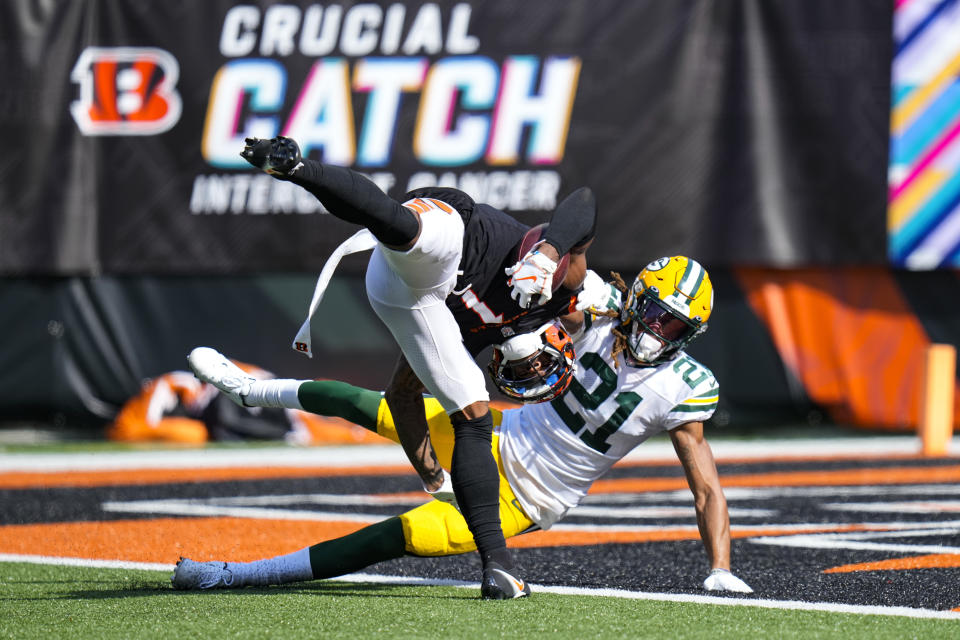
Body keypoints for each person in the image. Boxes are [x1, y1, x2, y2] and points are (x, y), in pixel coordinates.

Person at [177, 256, 753, 596]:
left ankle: (234, 576)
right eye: (654, 314)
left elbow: (706, 486)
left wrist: (721, 568)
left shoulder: (689, 385)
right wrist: (565, 295)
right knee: (367, 404)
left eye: (674, 328)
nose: (657, 333)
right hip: (496, 437)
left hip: (529, 500)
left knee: (393, 536)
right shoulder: (598, 317)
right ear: (638, 299)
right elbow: (550, 297)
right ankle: (250, 390)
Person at [231, 136, 598, 598]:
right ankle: (297, 168)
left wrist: (433, 477)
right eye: (538, 363)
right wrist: (548, 253)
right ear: (557, 335)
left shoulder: (471, 336)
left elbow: (402, 396)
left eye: (525, 373)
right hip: (462, 241)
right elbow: (583, 203)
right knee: (403, 228)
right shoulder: (564, 283)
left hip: (415, 302)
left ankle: (498, 569)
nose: (528, 368)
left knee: (473, 417)